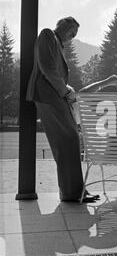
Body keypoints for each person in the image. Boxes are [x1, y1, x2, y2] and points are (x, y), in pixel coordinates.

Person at [26, 16, 99, 203]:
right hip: (48, 96)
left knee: (70, 139)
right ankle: (72, 193)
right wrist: (65, 89)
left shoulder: (57, 42)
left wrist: (66, 90)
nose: (73, 37)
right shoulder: (48, 35)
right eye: (72, 32)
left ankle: (73, 191)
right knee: (68, 139)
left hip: (55, 97)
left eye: (75, 35)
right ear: (64, 26)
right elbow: (48, 67)